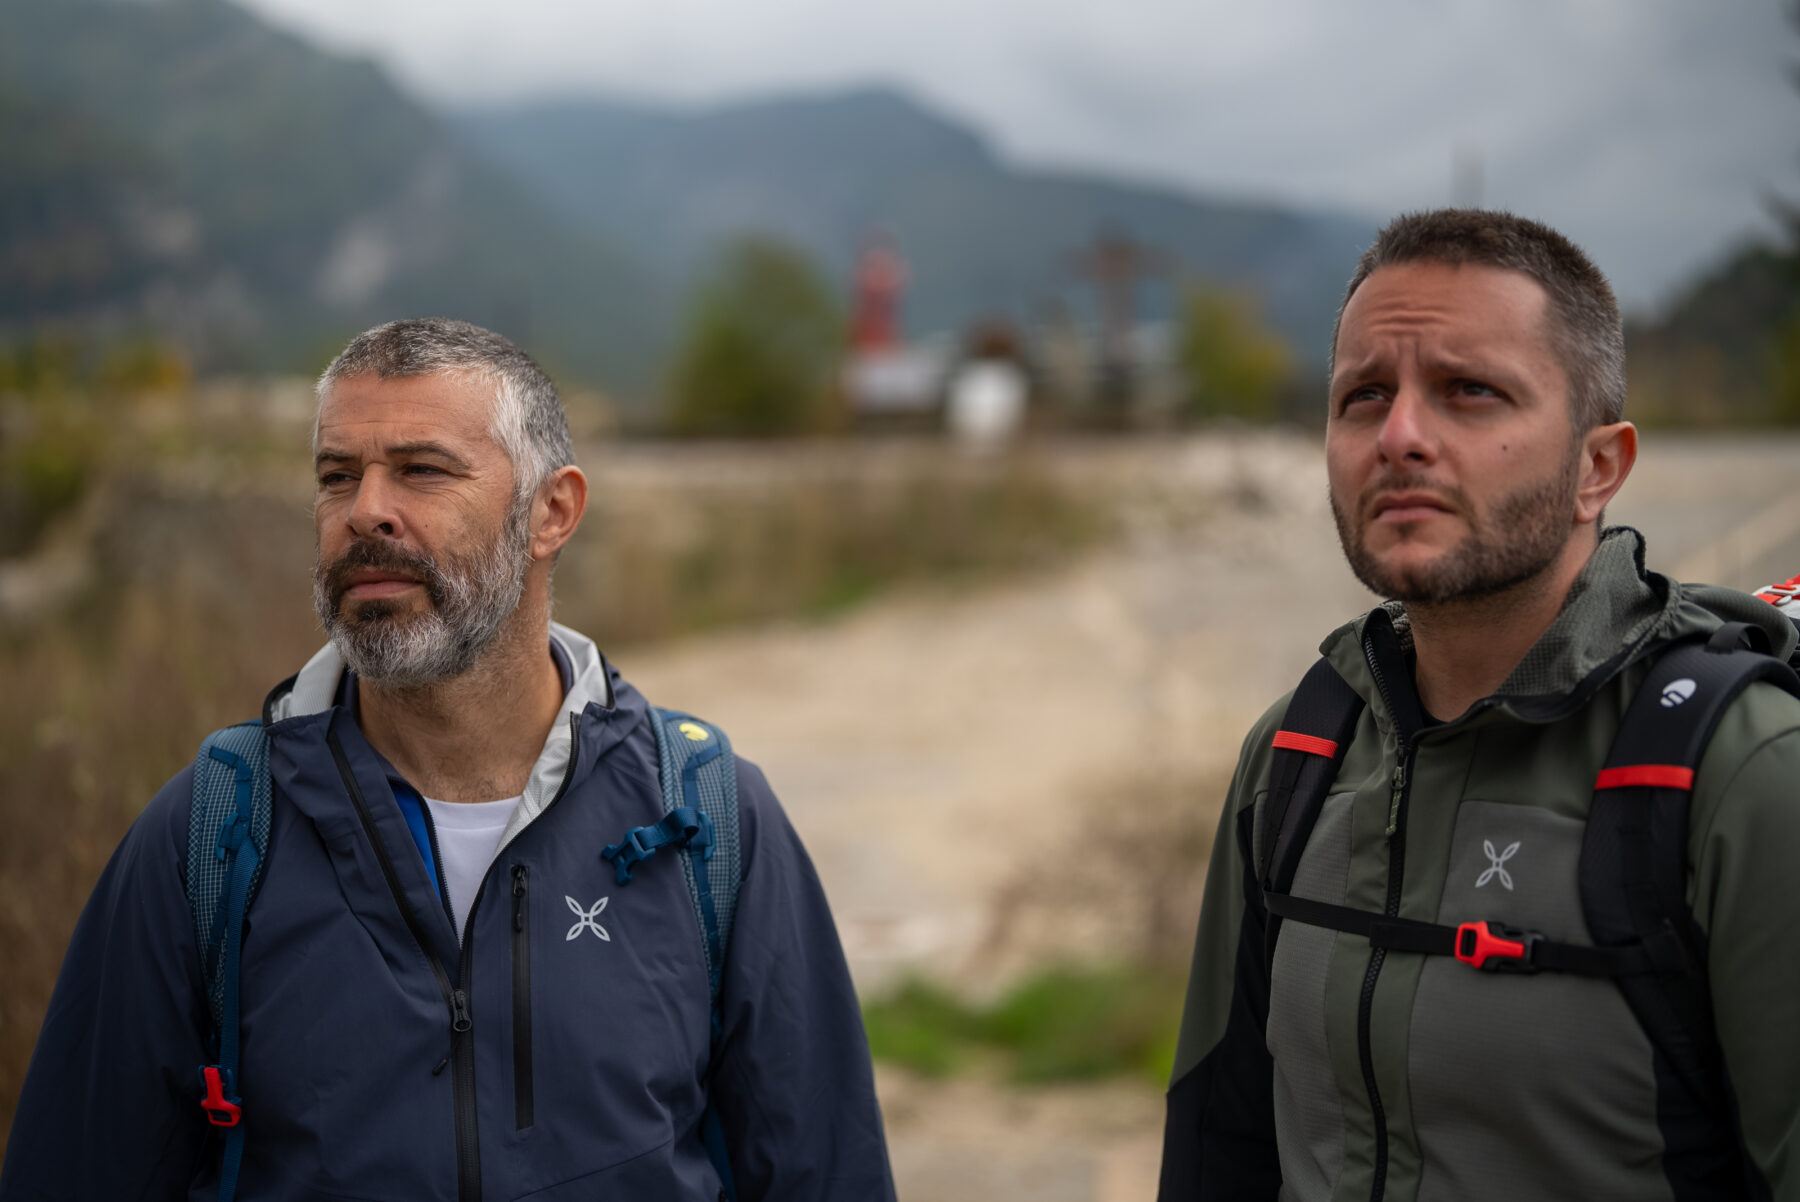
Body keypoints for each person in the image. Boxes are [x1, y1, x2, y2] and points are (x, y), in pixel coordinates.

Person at [0, 319, 896, 1201]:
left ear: (552, 512)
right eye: (336, 476)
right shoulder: (214, 834)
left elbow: (826, 1172)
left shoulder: (708, 822)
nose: (364, 511)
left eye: (421, 470)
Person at [1157, 210, 1800, 1201]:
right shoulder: (1296, 753)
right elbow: (1219, 1143)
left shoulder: (1740, 771)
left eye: (1470, 392)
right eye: (1363, 397)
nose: (1400, 437)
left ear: (1600, 467)